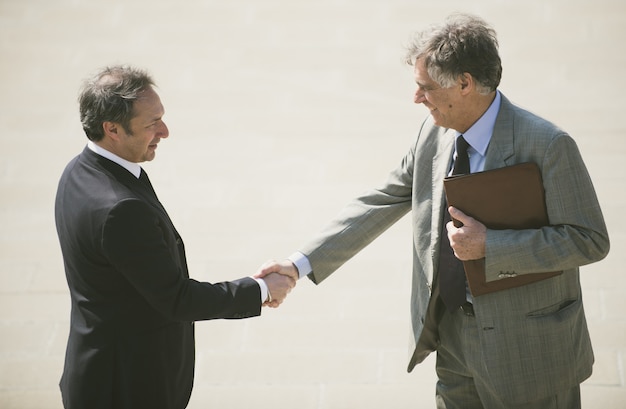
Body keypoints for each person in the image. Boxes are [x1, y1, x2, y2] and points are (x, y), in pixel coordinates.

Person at [257, 13, 610, 409]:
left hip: (529, 354)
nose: (416, 98)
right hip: (454, 344)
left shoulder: (549, 145)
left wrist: (491, 246)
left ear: (464, 84)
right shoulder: (434, 132)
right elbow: (382, 198)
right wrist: (299, 264)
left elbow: (590, 240)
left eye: (424, 87)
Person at [54, 65, 295, 409]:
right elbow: (177, 299)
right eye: (151, 123)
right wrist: (260, 289)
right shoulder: (120, 210)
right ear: (112, 129)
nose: (164, 131)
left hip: (96, 368)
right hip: (126, 387)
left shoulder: (78, 170)